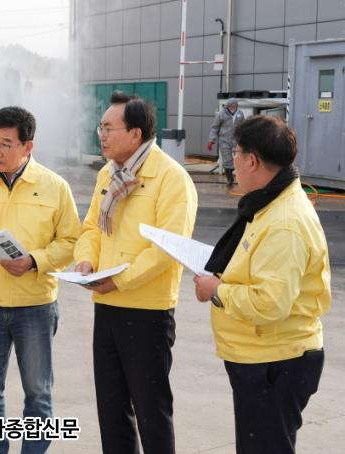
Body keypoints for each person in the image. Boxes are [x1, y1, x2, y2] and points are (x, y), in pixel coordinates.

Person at [193, 115, 331, 454]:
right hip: (264, 355)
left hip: (275, 360)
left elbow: (270, 302)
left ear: (252, 160)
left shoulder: (284, 222)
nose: (233, 161)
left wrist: (217, 291)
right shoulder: (270, 203)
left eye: (235, 153)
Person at [0, 106, 81, 454]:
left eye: (6, 144)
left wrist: (34, 261)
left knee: (38, 392)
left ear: (27, 146)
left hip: (34, 306)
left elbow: (71, 242)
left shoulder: (54, 187)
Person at [74, 92, 198, 454]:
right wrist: (86, 262)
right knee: (112, 409)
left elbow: (167, 249)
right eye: (101, 127)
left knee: (151, 411)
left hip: (148, 312)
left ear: (135, 134)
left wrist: (119, 279)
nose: (102, 135)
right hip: (107, 305)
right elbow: (91, 228)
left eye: (109, 128)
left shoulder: (171, 178)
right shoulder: (107, 174)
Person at [208, 98, 245, 188]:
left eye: (234, 105)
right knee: (227, 160)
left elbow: (243, 126)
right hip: (224, 140)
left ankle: (239, 176)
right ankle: (230, 179)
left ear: (237, 106)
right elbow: (214, 127)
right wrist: (211, 140)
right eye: (230, 106)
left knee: (240, 158)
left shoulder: (240, 114)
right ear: (227, 106)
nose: (232, 107)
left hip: (236, 140)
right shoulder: (221, 114)